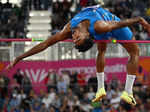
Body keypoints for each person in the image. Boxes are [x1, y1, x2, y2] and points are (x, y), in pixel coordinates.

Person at [7, 5, 150, 106]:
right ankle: (114, 90)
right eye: (77, 38)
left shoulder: (69, 29)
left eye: (75, 39)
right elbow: (45, 45)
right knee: (131, 51)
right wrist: (138, 20)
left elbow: (46, 43)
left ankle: (118, 90)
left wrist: (19, 57)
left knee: (118, 51)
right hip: (109, 23)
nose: (74, 37)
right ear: (88, 35)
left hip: (106, 22)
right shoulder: (99, 27)